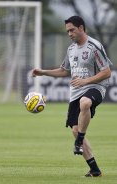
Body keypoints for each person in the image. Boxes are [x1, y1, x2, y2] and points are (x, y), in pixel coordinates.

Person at [32, 16, 112, 177]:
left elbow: (106, 72)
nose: (69, 33)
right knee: (75, 130)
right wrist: (43, 72)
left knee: (85, 103)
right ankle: (95, 170)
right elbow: (64, 71)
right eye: (67, 31)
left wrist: (86, 81)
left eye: (72, 30)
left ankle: (79, 141)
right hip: (76, 92)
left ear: (81, 28)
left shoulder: (94, 46)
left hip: (95, 87)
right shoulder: (71, 49)